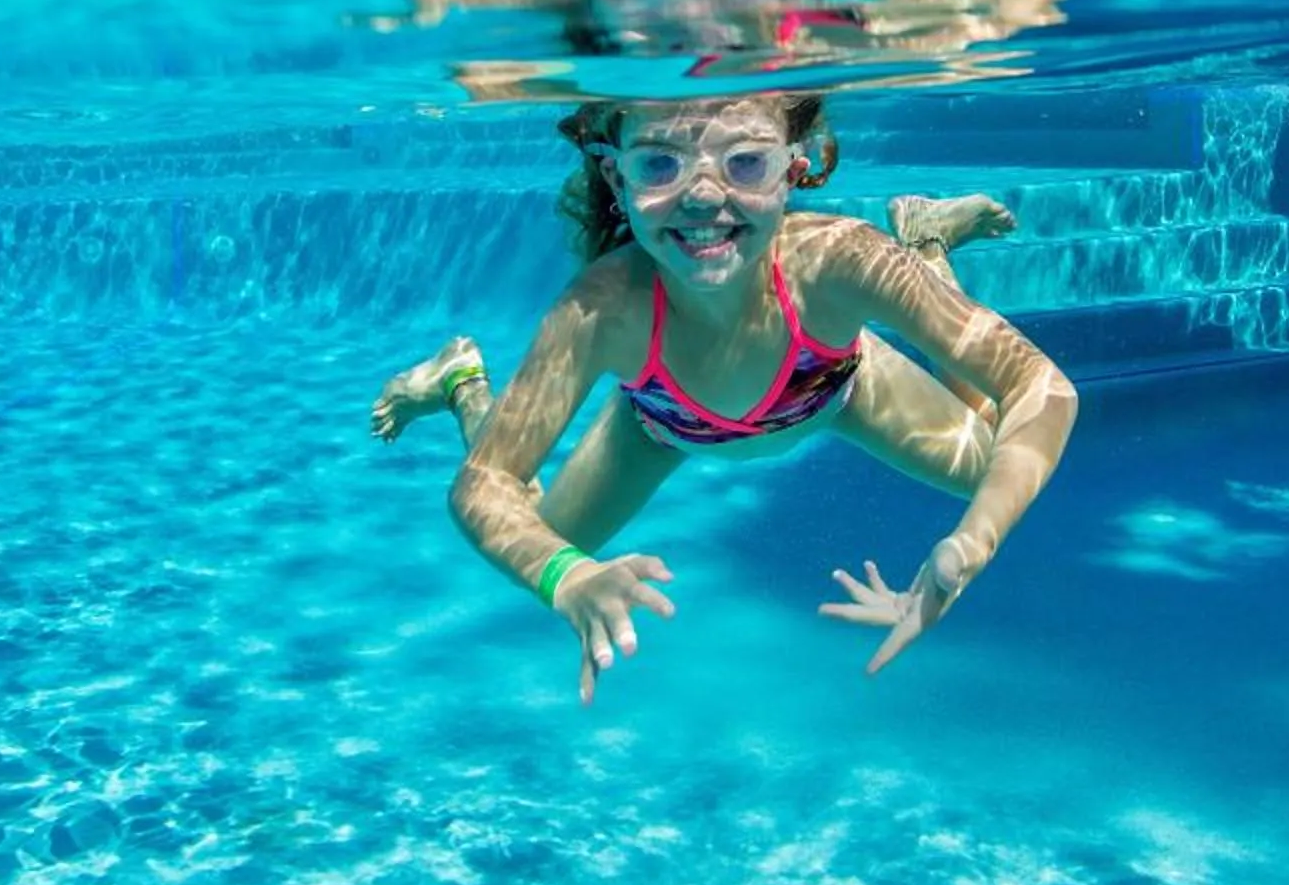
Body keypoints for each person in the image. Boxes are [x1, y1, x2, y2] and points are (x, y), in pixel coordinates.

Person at [370, 92, 1077, 705]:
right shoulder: (602, 310)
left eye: (745, 162)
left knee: (996, 462)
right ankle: (463, 381)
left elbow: (1042, 388)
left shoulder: (841, 260)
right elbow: (483, 486)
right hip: (663, 424)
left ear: (795, 167)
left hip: (835, 387)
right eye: (659, 163)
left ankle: (924, 243)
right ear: (615, 177)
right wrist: (569, 576)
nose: (704, 196)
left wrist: (967, 549)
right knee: (544, 542)